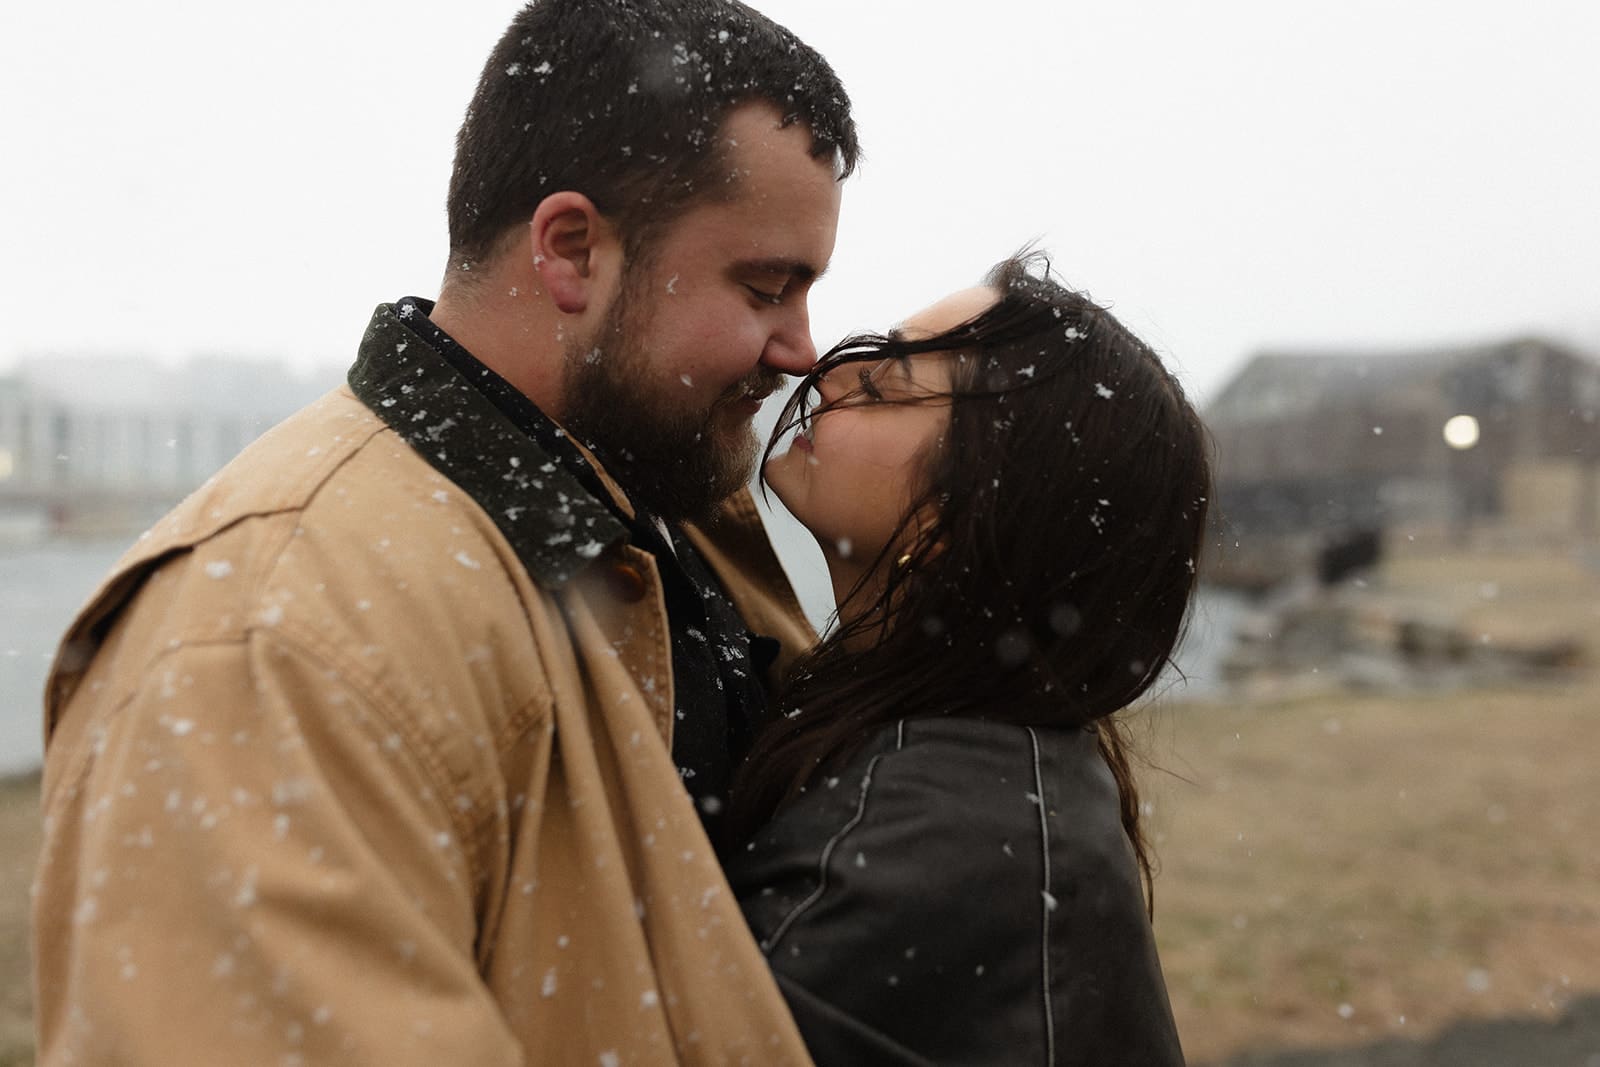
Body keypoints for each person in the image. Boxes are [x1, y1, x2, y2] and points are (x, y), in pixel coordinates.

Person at [32, 1, 857, 1063]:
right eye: (765, 287)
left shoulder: (663, 524)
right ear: (571, 250)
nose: (800, 347)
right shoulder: (269, 634)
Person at [724, 253, 1209, 1065]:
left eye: (884, 387)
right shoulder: (998, 764)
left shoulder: (929, 834)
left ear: (957, 521)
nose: (827, 372)